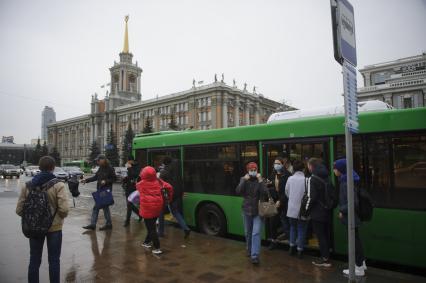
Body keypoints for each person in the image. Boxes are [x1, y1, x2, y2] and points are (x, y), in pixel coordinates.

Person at [16, 156, 69, 283]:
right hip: (54, 228)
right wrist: (57, 218)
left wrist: (34, 217)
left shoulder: (28, 186)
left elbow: (19, 210)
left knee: (34, 259)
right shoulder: (59, 185)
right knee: (54, 260)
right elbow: (64, 209)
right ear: (53, 167)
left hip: (34, 228)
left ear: (39, 168)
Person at [334, 158, 366, 277]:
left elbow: (353, 202)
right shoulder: (349, 178)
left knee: (353, 241)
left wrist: (342, 210)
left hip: (351, 217)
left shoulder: (345, 182)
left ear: (341, 169)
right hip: (353, 216)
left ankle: (358, 268)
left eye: (335, 168)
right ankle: (361, 263)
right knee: (356, 240)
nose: (334, 170)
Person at [137, 166, 173, 255]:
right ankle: (146, 242)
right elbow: (170, 187)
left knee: (151, 228)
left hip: (147, 209)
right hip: (158, 207)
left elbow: (137, 186)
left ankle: (157, 248)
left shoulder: (140, 184)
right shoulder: (159, 182)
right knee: (151, 225)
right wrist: (169, 198)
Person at [235, 162, 266, 265]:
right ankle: (249, 249)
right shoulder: (243, 179)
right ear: (248, 171)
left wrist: (261, 180)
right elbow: (238, 191)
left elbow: (265, 193)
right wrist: (244, 180)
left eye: (255, 169)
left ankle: (255, 256)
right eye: (251, 170)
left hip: (258, 211)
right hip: (246, 210)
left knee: (256, 233)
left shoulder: (260, 180)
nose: (253, 171)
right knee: (248, 232)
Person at [307, 158, 333, 267]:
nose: (308, 168)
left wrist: (306, 209)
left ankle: (325, 259)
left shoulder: (313, 178)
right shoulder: (327, 176)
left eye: (308, 166)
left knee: (320, 235)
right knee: (326, 234)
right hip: (327, 210)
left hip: (317, 212)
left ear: (312, 166)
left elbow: (311, 197)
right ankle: (327, 253)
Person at [158, 156, 191, 238]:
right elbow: (181, 181)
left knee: (160, 213)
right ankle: (186, 228)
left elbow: (160, 184)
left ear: (164, 163)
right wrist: (182, 191)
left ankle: (160, 232)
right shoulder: (177, 169)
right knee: (175, 212)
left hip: (167, 195)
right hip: (177, 193)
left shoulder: (163, 172)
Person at [82, 154, 116, 231]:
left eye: (98, 160)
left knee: (97, 207)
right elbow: (95, 177)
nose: (97, 162)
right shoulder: (101, 168)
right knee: (104, 207)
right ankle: (107, 224)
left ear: (103, 160)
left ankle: (94, 224)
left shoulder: (110, 168)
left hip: (106, 191)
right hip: (100, 190)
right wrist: (86, 180)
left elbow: (114, 179)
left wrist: (106, 181)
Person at [266, 157, 292, 249]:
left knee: (285, 222)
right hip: (274, 201)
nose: (276, 165)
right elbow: (269, 185)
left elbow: (288, 191)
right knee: (272, 222)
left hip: (284, 202)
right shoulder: (273, 174)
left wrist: (280, 200)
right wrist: (268, 184)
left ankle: (291, 243)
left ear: (282, 164)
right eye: (274, 163)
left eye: (278, 163)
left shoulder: (287, 175)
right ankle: (273, 241)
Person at [285, 159, 308, 258]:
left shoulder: (290, 179)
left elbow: (287, 192)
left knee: (292, 227)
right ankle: (300, 250)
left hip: (291, 209)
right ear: (303, 169)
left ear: (293, 169)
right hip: (302, 210)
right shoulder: (306, 180)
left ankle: (291, 247)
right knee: (301, 229)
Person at [122, 158, 142, 227]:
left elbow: (135, 175)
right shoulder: (128, 167)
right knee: (129, 205)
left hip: (133, 188)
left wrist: (130, 168)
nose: (127, 162)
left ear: (131, 160)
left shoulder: (137, 167)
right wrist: (124, 179)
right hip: (128, 188)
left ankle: (127, 221)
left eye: (128, 161)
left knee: (129, 205)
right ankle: (140, 214)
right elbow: (128, 176)